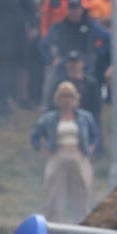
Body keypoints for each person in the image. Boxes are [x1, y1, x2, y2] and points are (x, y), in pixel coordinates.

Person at [30, 81, 100, 224]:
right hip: (58, 154)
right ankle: (53, 225)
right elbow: (35, 136)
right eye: (63, 96)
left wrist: (91, 147)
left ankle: (82, 225)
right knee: (54, 194)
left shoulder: (85, 117)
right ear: (58, 99)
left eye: (69, 96)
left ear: (75, 99)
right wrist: (42, 149)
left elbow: (96, 135)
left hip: (78, 154)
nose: (66, 100)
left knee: (81, 192)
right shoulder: (49, 118)